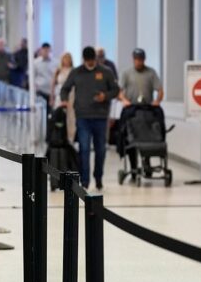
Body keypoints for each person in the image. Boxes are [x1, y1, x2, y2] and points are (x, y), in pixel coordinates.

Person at [59, 46, 119, 190]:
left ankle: (98, 177)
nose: (90, 63)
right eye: (88, 61)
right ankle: (84, 180)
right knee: (84, 149)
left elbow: (116, 90)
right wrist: (64, 100)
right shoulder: (77, 72)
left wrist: (105, 96)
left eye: (92, 61)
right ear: (84, 60)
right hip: (83, 116)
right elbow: (65, 88)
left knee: (100, 150)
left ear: (95, 59)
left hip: (100, 116)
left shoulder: (106, 72)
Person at [118, 48, 164, 174]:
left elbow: (159, 89)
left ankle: (147, 162)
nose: (139, 62)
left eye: (141, 60)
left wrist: (157, 101)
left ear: (144, 60)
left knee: (148, 136)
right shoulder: (126, 73)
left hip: (147, 108)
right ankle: (133, 166)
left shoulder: (151, 73)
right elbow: (119, 91)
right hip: (132, 108)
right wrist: (124, 100)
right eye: (136, 59)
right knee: (130, 135)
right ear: (133, 60)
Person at [50, 52, 76, 143]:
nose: (66, 61)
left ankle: (70, 138)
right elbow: (53, 85)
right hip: (59, 96)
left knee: (71, 117)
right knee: (59, 116)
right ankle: (58, 136)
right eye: (65, 58)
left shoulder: (73, 71)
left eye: (68, 58)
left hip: (72, 95)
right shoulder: (58, 70)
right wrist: (51, 97)